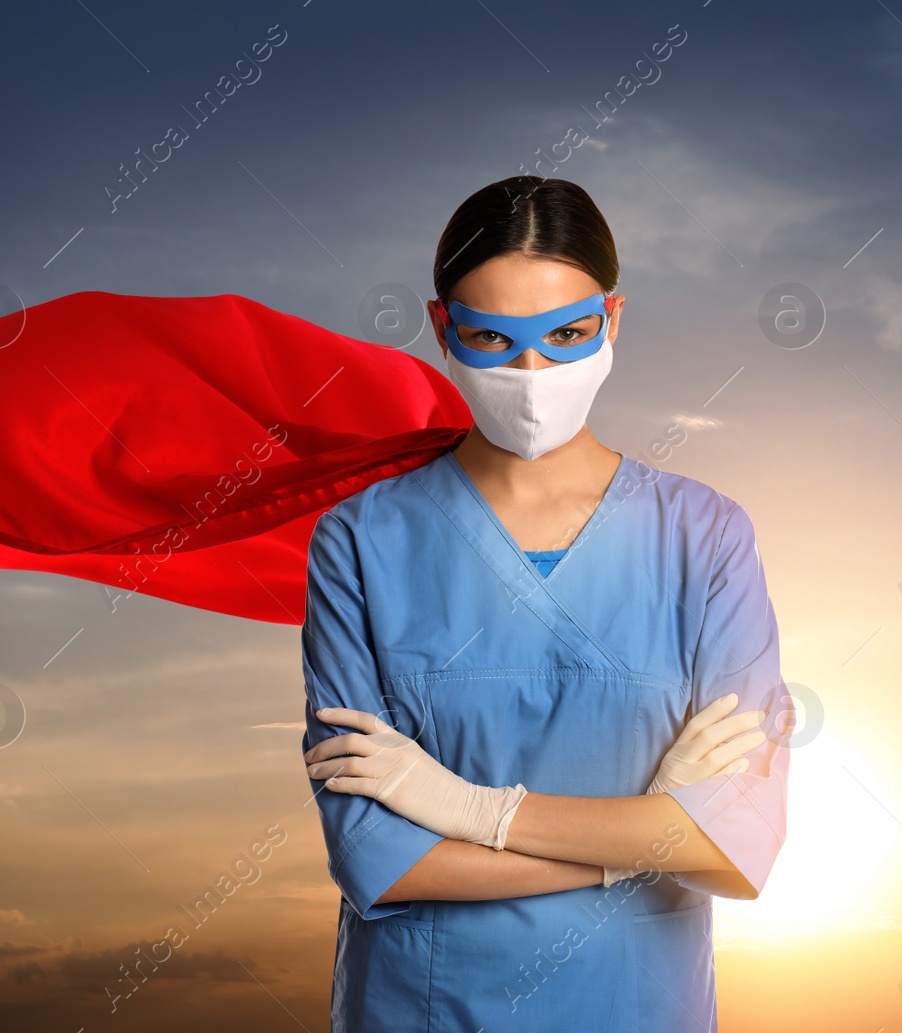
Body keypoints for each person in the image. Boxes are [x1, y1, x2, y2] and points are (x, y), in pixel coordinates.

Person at [298, 176, 791, 1032]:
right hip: (422, 1006)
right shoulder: (360, 543)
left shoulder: (703, 537)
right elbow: (377, 858)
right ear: (441, 324)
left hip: (633, 1001)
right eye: (492, 337)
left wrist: (474, 811)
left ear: (615, 317)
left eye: (567, 334)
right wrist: (639, 842)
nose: (533, 374)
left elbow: (734, 845)